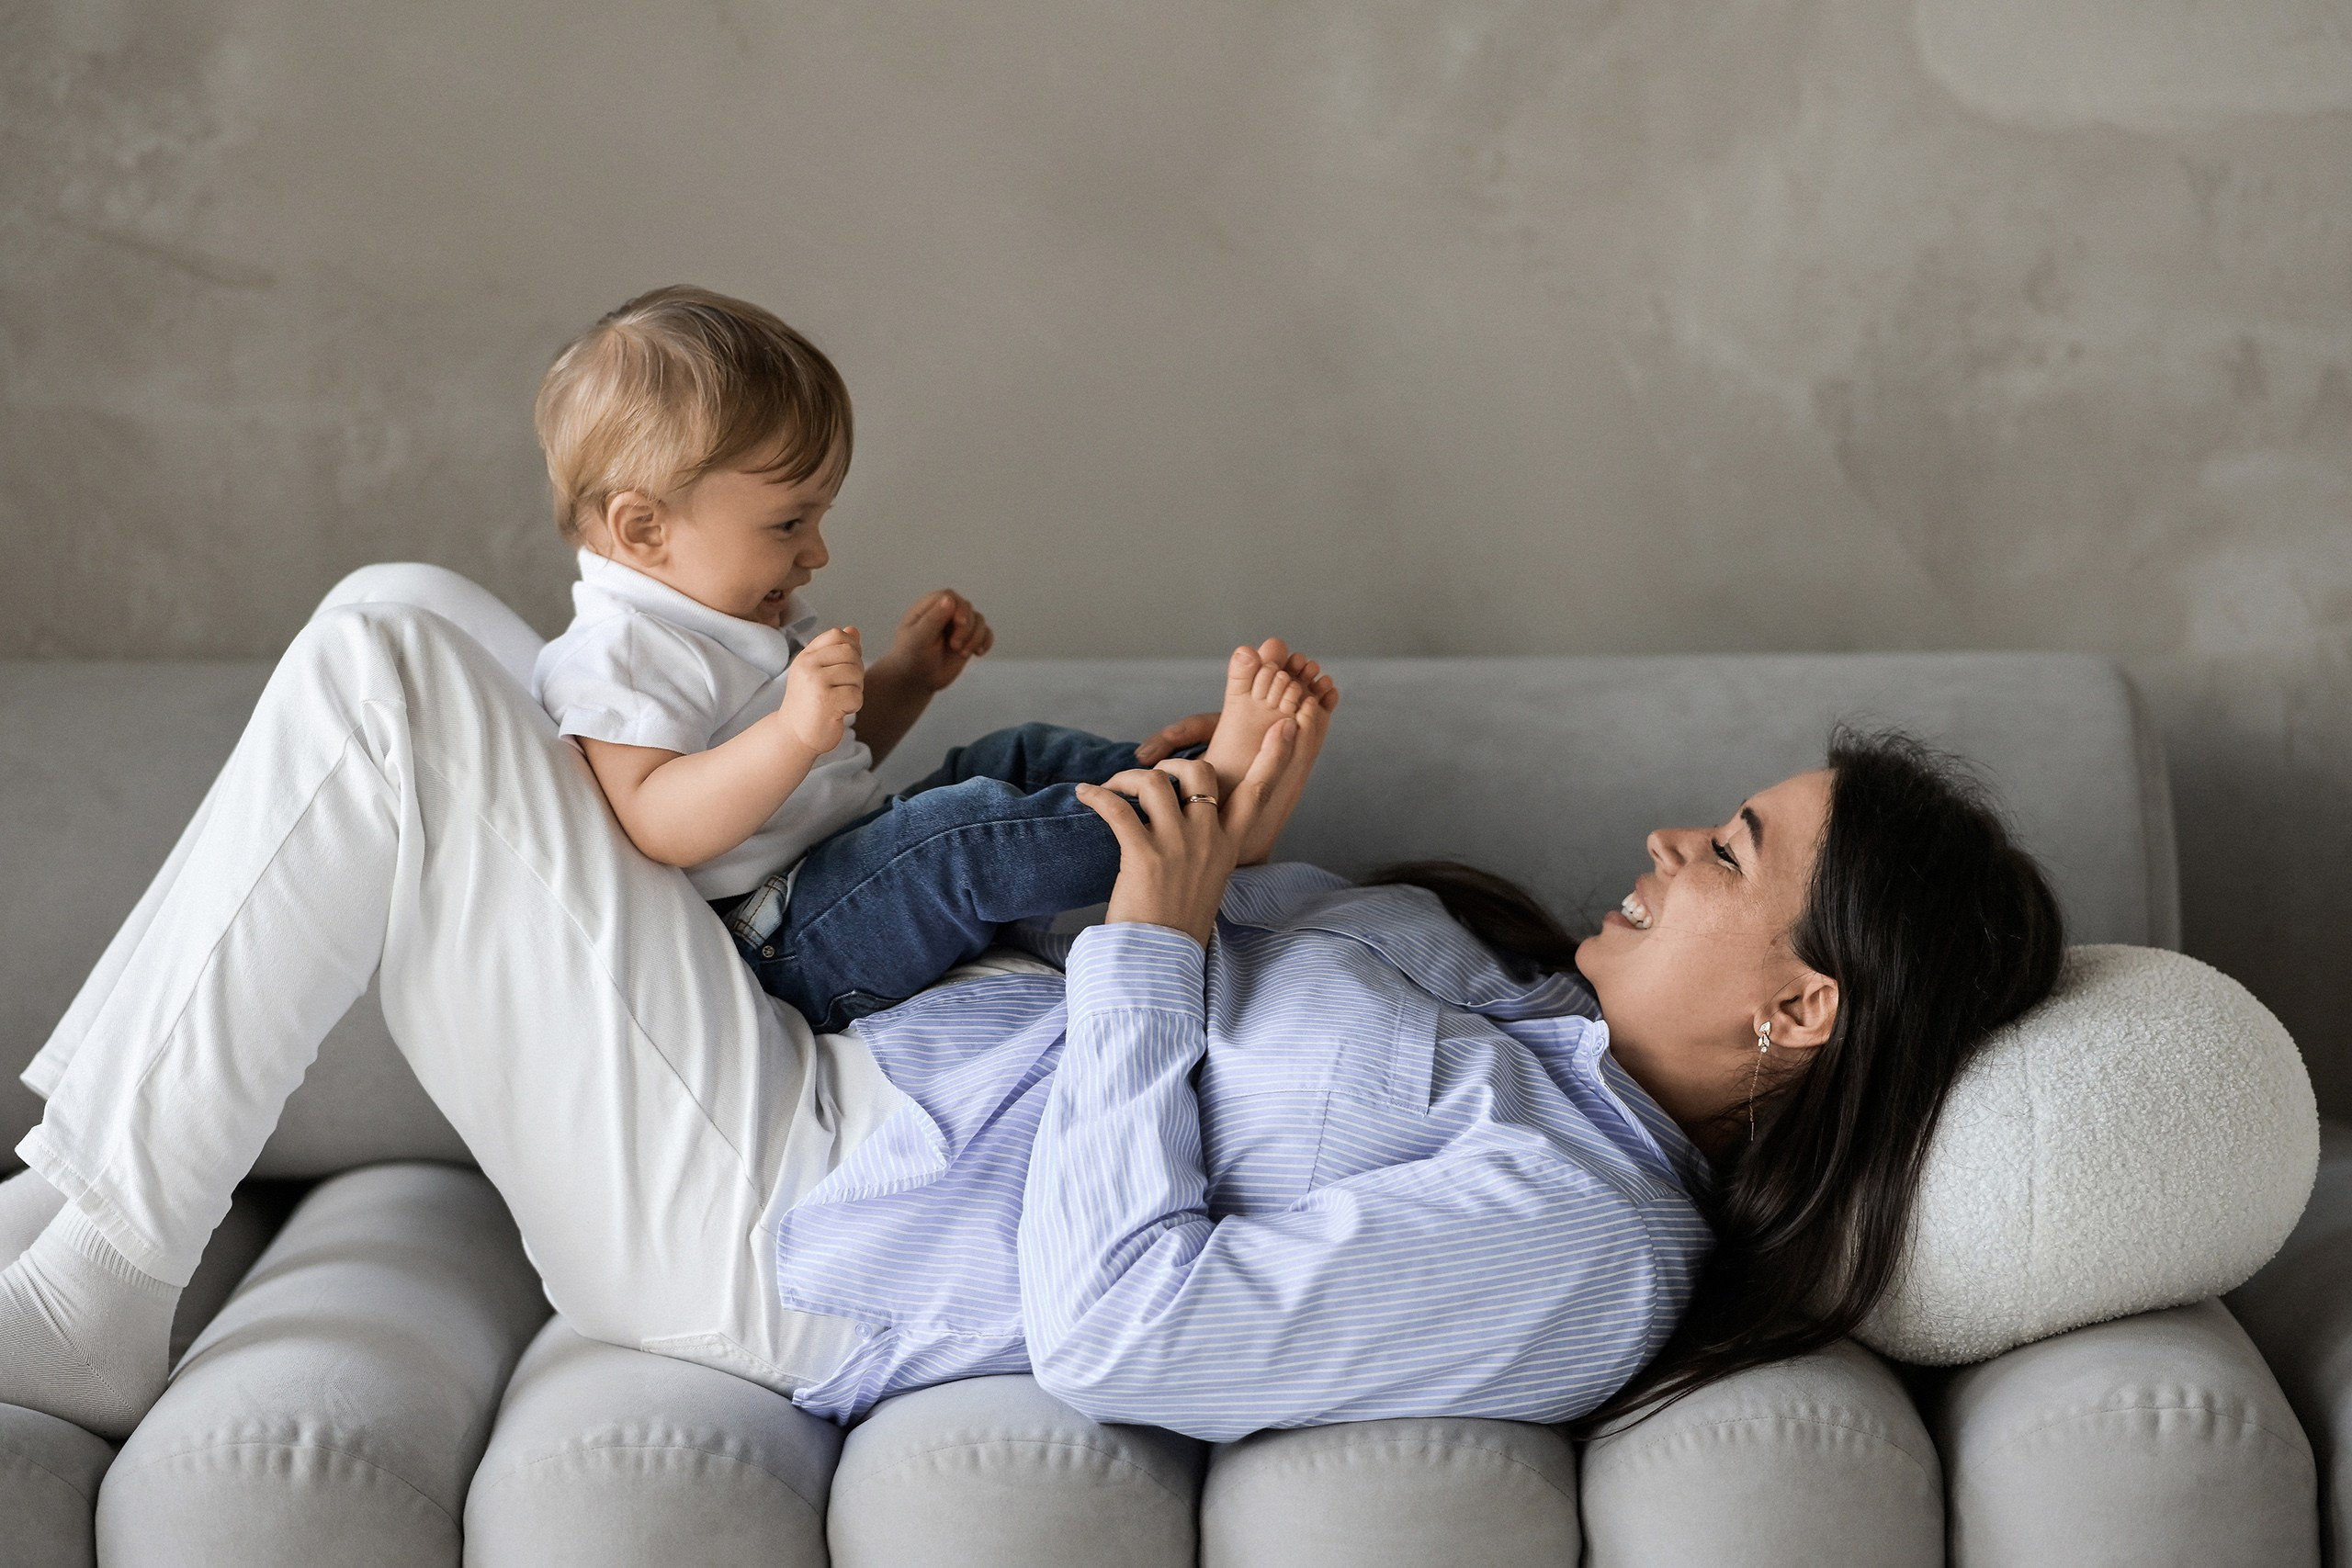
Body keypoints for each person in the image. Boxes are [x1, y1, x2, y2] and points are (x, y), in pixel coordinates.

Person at [0, 567, 2061, 1443]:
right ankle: (85, 1214)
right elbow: (1172, 923)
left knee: (390, 654)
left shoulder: (1586, 1239)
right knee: (425, 633)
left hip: (785, 1220)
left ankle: (97, 1258)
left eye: (1724, 850)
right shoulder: (1514, 1006)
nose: (1665, 845)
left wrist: (1159, 943)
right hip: (798, 1056)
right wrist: (1213, 828)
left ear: (1799, 1011)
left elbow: (1119, 1325)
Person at [527, 286, 1335, 1032]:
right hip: (782, 943)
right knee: (957, 839)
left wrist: (905, 678)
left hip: (841, 869)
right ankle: (1211, 807)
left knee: (1012, 755)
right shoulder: (620, 652)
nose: (817, 552)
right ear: (643, 529)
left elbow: (830, 767)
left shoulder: (727, 608)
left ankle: (1193, 788)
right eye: (787, 524)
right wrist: (791, 734)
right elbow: (658, 822)